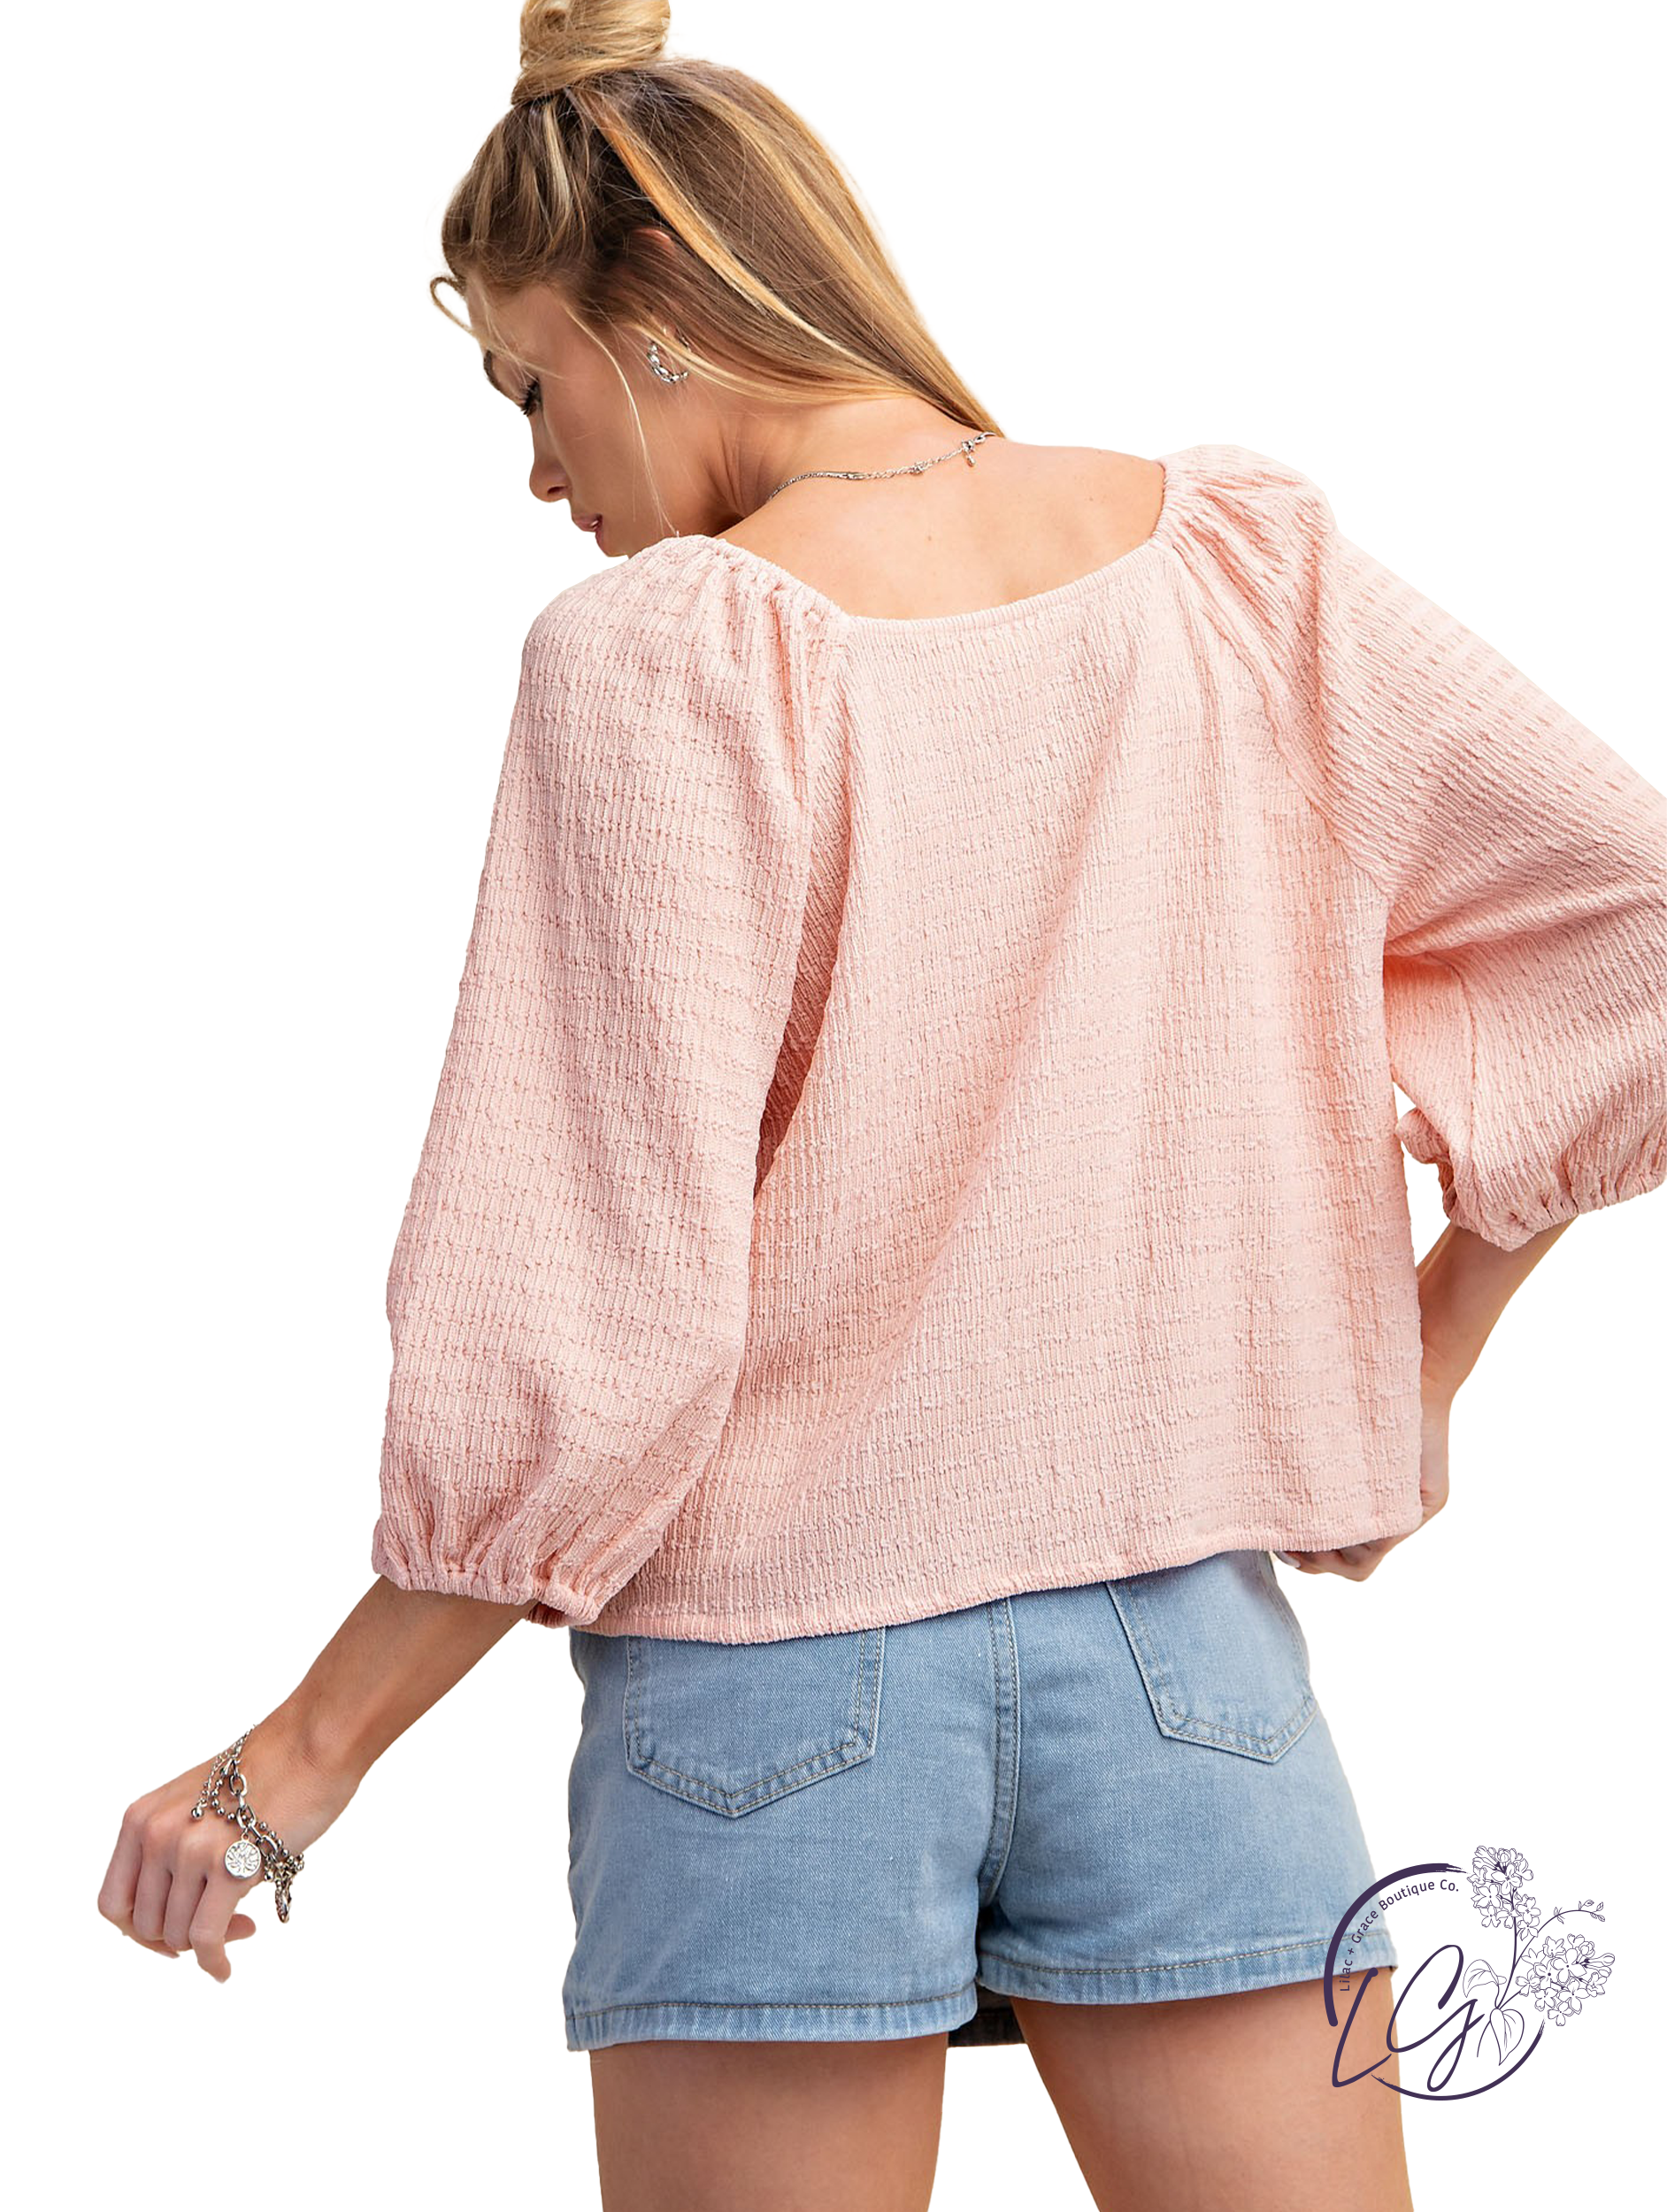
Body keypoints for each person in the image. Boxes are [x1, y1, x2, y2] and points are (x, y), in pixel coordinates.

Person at [98, 4, 1667, 2208]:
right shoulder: (1240, 570)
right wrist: (1430, 1349)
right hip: (1183, 1656)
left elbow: (593, 1320)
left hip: (770, 1693)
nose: (539, 476)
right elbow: (1629, 926)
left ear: (657, 308)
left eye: (530, 389)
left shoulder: (665, 657)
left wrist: (293, 1757)